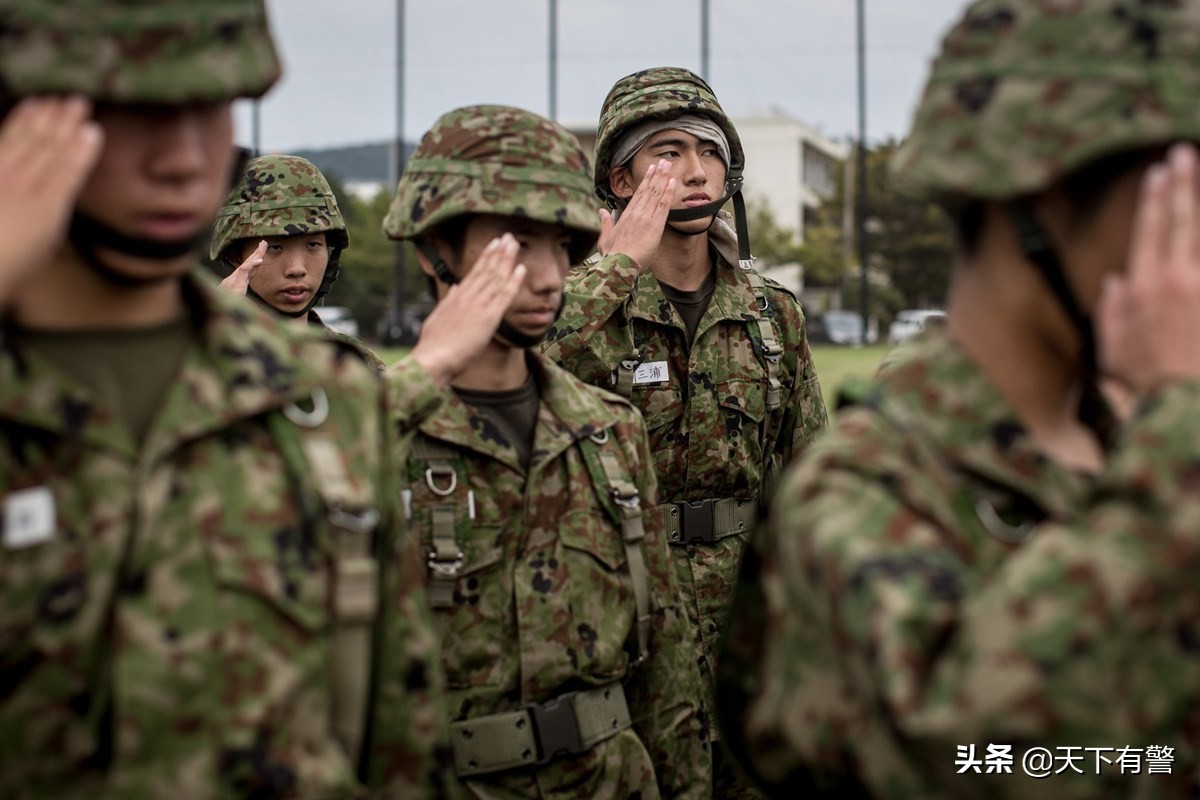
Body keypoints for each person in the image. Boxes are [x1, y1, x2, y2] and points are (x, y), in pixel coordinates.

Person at [0, 1, 523, 796]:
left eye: (211, 109)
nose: (182, 158)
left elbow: (401, 738)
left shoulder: (327, 394)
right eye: (137, 112)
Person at [716, 1, 1200, 798]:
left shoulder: (1136, 438)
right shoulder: (861, 495)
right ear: (1039, 195)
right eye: (1175, 189)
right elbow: (973, 752)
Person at [384, 104, 710, 799]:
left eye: (562, 246)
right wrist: (426, 372)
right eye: (514, 243)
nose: (546, 275)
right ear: (432, 247)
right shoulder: (370, 431)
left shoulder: (608, 429)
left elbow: (666, 662)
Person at [539, 66, 828, 797]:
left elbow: (815, 474)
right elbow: (521, 372)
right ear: (621, 178)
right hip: (618, 606)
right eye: (667, 153)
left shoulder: (772, 313)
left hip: (746, 609)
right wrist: (611, 271)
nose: (695, 171)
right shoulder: (582, 305)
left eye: (709, 151)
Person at [209, 153, 384, 370]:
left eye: (312, 245)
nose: (297, 269)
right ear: (236, 256)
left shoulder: (359, 365)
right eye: (275, 247)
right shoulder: (202, 357)